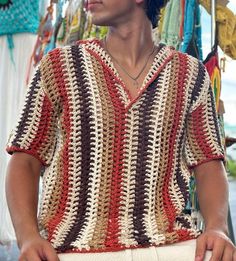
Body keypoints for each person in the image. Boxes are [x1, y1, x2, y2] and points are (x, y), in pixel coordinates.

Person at [5, 0, 236, 260]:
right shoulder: (59, 67)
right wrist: (28, 237)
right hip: (72, 248)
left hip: (168, 245)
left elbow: (208, 161)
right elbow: (25, 159)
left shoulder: (190, 74)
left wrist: (218, 227)